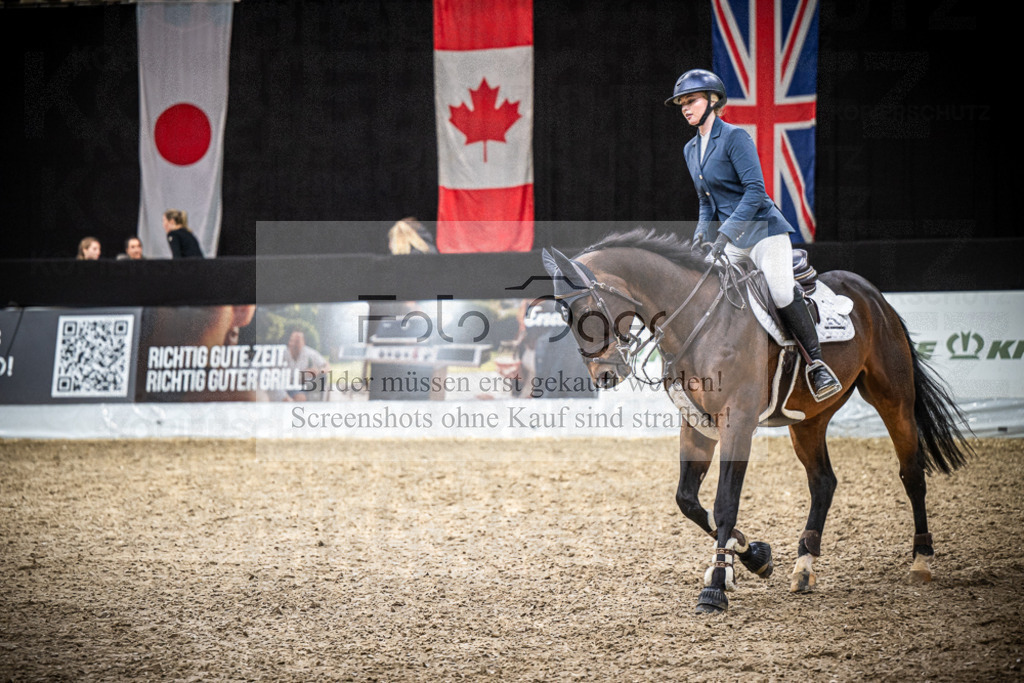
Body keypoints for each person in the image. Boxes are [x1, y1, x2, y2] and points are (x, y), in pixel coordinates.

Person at [666, 68, 841, 402]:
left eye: (692, 100)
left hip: (764, 231)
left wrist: (726, 233)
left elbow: (755, 192)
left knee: (778, 290)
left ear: (713, 101)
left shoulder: (735, 137)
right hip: (730, 239)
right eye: (682, 103)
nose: (686, 108)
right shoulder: (690, 149)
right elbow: (706, 202)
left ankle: (816, 365)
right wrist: (701, 237)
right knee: (699, 288)